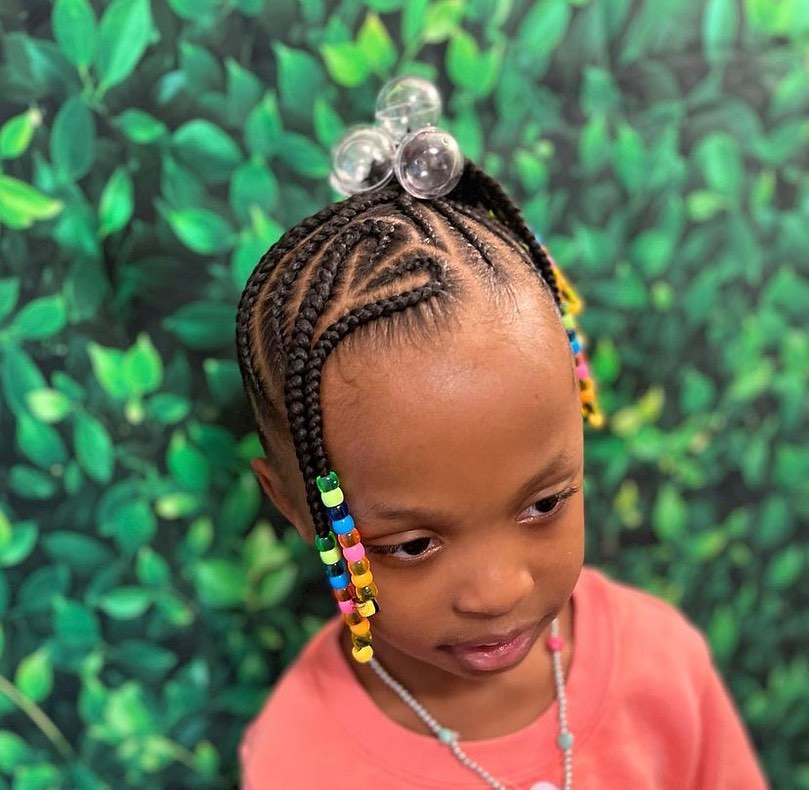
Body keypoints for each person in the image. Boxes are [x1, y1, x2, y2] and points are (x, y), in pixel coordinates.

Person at [235, 78, 767, 789]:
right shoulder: (299, 761)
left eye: (544, 504)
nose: (496, 590)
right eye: (414, 545)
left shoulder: (662, 668)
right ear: (295, 504)